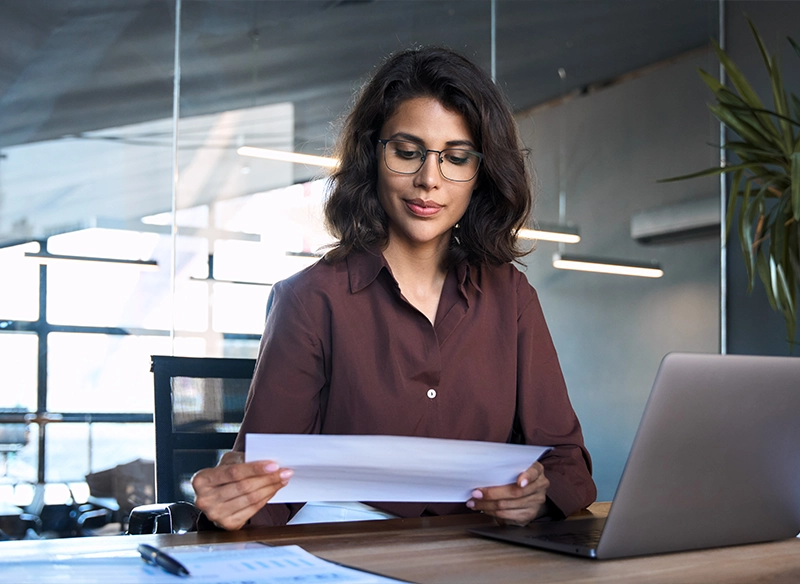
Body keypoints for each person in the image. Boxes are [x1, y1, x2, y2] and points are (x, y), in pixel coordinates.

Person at [192, 46, 596, 530]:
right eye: (407, 152)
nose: (429, 180)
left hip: (481, 553)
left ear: (480, 175)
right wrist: (232, 500)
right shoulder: (309, 300)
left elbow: (567, 462)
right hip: (346, 547)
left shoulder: (511, 298)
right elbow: (263, 489)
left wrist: (537, 496)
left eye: (457, 157)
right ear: (372, 156)